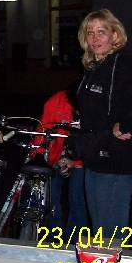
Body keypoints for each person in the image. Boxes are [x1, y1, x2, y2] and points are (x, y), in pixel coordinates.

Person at [67, 9, 132, 241]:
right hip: (95, 159)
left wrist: (126, 125)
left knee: (111, 237)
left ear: (114, 35)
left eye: (101, 32)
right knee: (100, 234)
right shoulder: (94, 68)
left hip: (116, 162)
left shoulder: (122, 65)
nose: (95, 38)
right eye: (90, 32)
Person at [34, 86, 87, 239]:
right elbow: (42, 130)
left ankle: (76, 242)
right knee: (51, 199)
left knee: (78, 199)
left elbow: (95, 139)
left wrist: (75, 161)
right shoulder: (57, 101)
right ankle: (53, 239)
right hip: (55, 154)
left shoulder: (95, 101)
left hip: (83, 157)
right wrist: (38, 157)